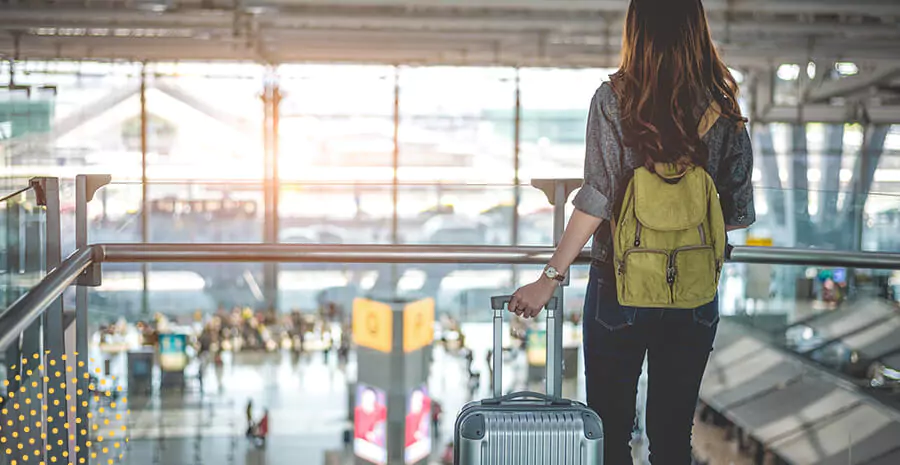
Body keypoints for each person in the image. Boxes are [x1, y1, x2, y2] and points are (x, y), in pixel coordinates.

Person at [508, 0, 754, 463]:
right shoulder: (723, 104)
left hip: (620, 286)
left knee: (609, 435)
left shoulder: (614, 98)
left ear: (636, 29)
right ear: (696, 29)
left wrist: (549, 278)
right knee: (672, 439)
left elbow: (596, 198)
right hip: (695, 292)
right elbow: (737, 212)